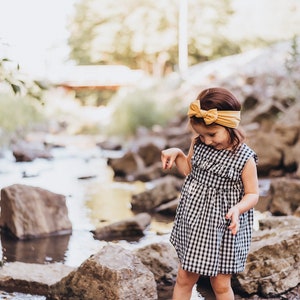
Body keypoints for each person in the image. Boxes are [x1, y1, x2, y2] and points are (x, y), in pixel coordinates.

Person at [161, 87, 259, 300]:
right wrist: (177, 153)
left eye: (212, 134)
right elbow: (189, 170)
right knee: (184, 277)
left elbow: (252, 194)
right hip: (196, 222)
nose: (206, 140)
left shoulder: (244, 158)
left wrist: (237, 208)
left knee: (221, 284)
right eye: (201, 134)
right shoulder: (199, 144)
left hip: (224, 226)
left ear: (229, 125)